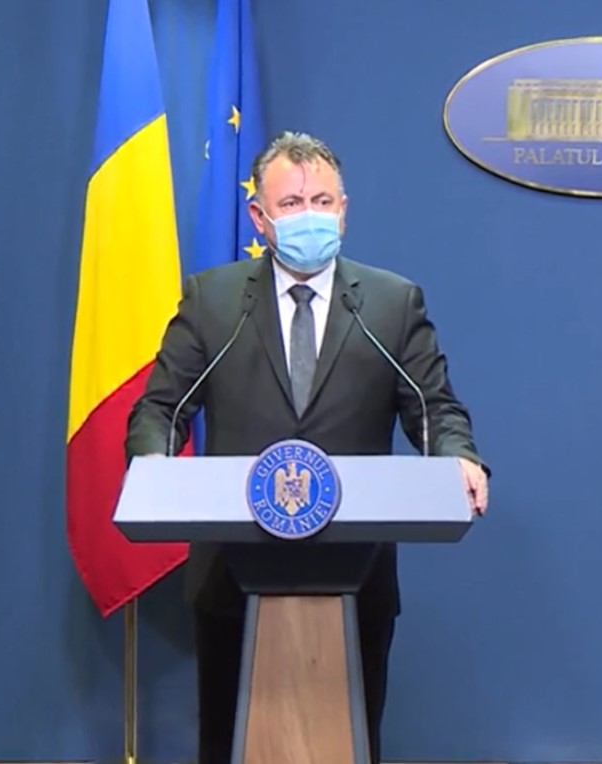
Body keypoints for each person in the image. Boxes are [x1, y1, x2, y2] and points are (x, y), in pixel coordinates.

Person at [125, 131, 490, 764]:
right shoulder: (214, 301)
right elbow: (160, 408)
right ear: (259, 217)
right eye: (291, 204)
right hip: (231, 575)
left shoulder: (391, 303)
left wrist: (457, 455)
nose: (309, 215)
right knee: (227, 745)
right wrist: (152, 460)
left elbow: (434, 408)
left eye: (322, 201)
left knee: (349, 741)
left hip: (355, 574)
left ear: (344, 210)